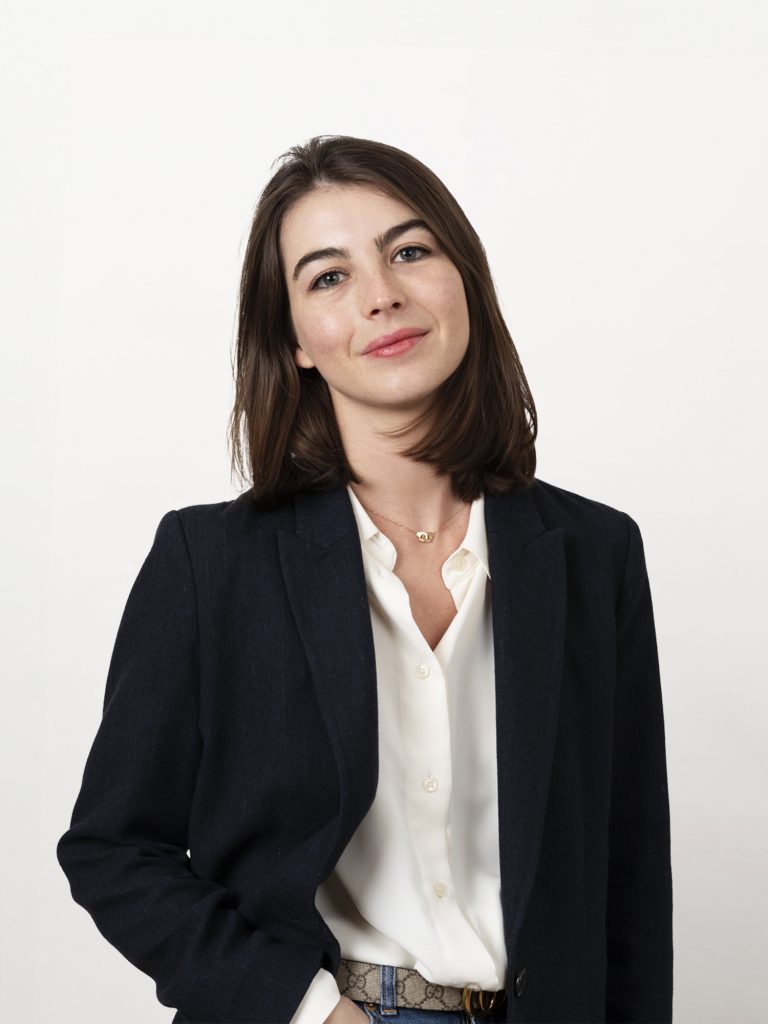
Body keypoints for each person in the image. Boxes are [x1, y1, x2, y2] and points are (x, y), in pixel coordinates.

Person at [56, 134, 673, 1024]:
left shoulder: (593, 552)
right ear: (295, 340)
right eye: (329, 277)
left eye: (410, 252)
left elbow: (629, 872)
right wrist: (305, 1010)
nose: (382, 295)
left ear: (465, 279)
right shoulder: (210, 563)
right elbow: (113, 849)